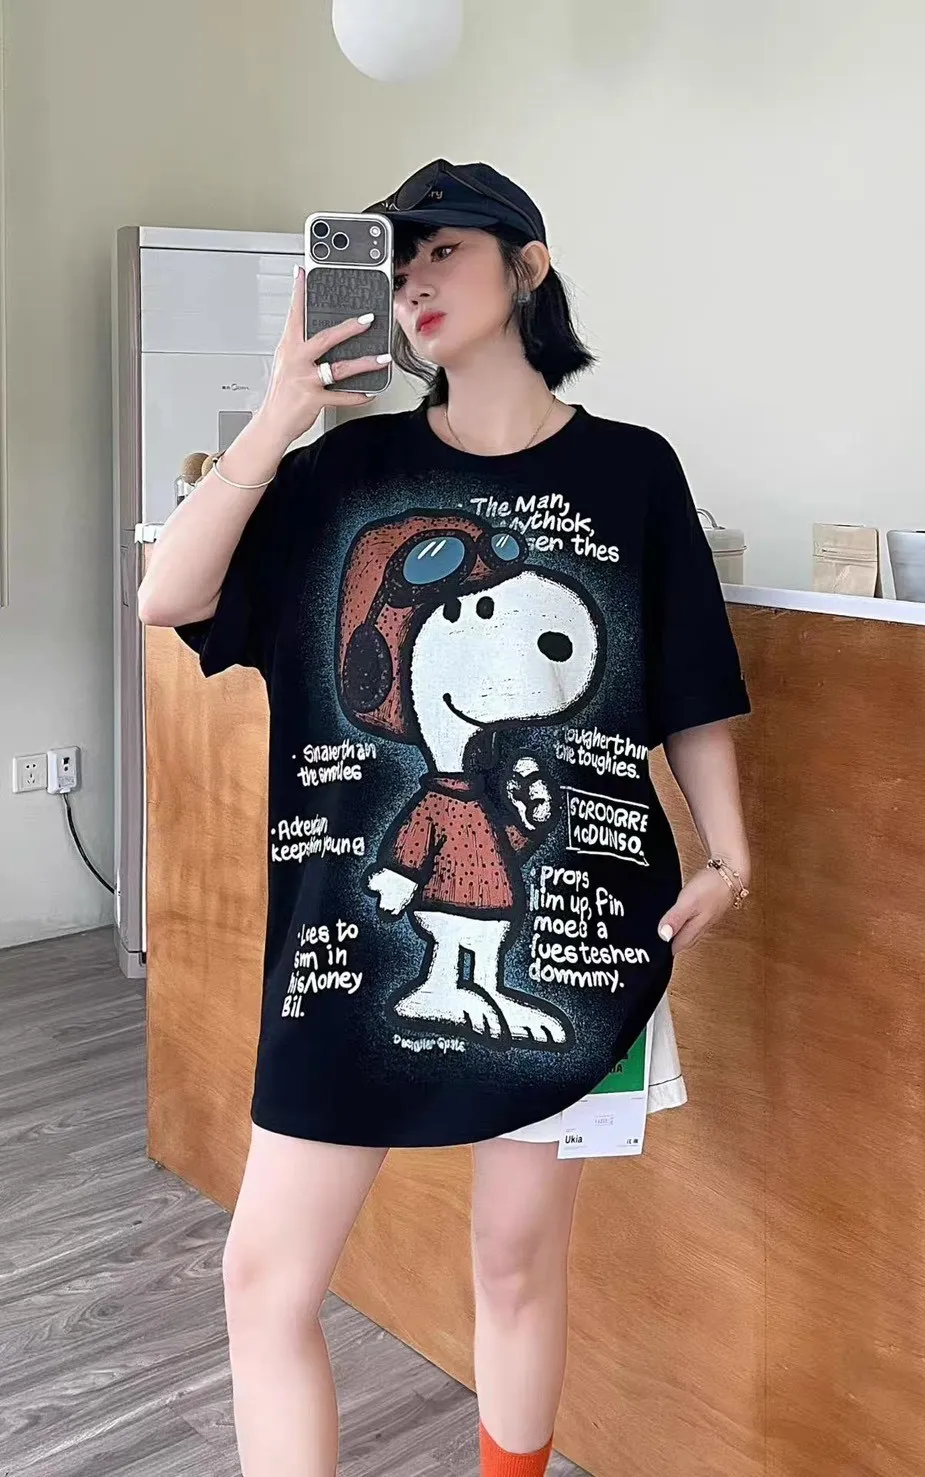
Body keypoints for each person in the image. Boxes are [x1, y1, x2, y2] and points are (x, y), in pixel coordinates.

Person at [138, 158, 752, 1477]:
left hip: (572, 938)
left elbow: (690, 682)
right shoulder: (344, 471)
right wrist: (283, 408)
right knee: (265, 1277)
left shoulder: (632, 471)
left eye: (443, 252)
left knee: (517, 1263)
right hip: (348, 956)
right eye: (397, 260)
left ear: (529, 266)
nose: (415, 281)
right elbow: (167, 596)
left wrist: (729, 852)